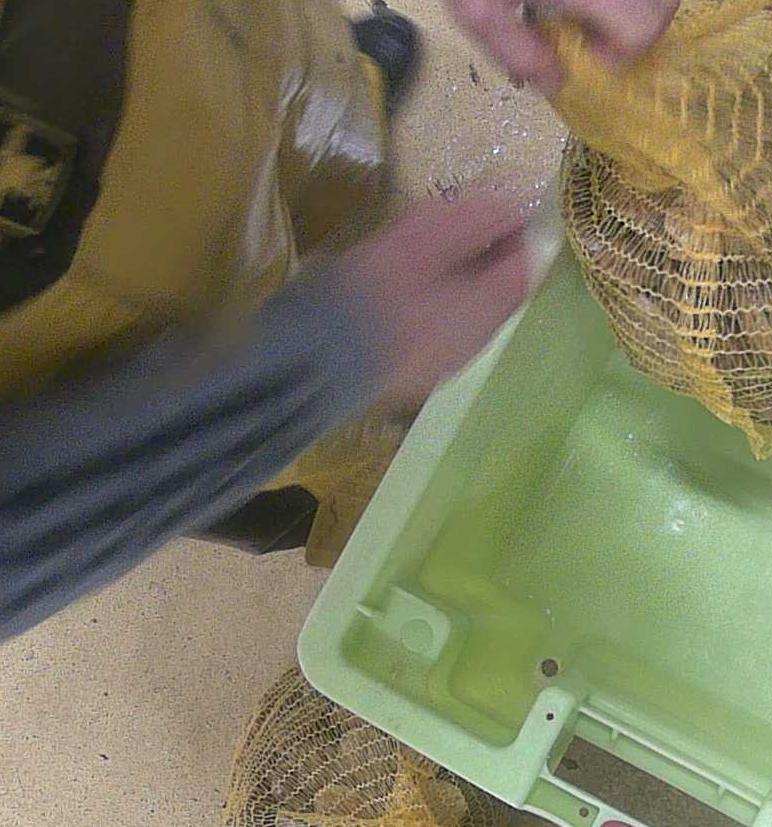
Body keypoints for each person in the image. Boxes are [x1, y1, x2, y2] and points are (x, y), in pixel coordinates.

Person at [0, 0, 679, 640]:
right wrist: (334, 358)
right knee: (356, 452)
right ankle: (370, 512)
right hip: (81, 339)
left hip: (175, 34)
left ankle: (353, 104)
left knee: (303, 94)